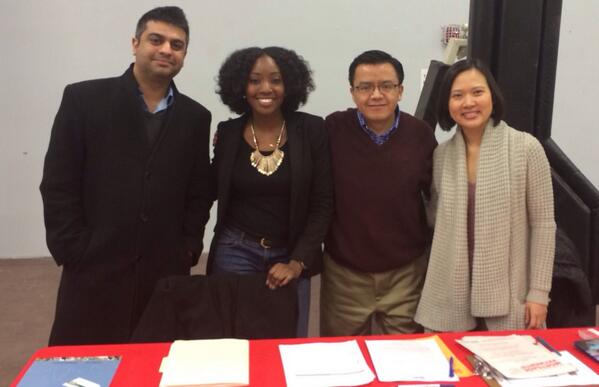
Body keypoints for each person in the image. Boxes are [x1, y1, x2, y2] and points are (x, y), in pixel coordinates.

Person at [40, 6, 212, 345]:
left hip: (162, 270)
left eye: (177, 45)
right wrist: (72, 247)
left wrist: (188, 249)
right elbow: (59, 183)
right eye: (156, 39)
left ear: (184, 55)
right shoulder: (83, 100)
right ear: (135, 43)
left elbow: (198, 192)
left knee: (152, 368)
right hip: (93, 266)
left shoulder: (195, 117)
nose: (166, 50)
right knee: (82, 368)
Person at [414, 59, 555, 331]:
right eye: (457, 95)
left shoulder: (525, 148)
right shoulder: (442, 155)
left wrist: (539, 294)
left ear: (492, 95)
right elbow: (435, 218)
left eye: (477, 92)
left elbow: (543, 226)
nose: (468, 103)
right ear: (447, 103)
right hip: (451, 296)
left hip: (510, 296)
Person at [209, 47, 333, 337]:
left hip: (290, 253)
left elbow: (323, 204)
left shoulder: (312, 129)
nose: (266, 88)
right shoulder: (227, 133)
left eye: (275, 80)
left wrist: (297, 262)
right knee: (231, 340)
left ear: (289, 85)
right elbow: (209, 188)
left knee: (288, 342)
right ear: (241, 86)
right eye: (254, 80)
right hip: (234, 252)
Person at [321, 50, 437, 336]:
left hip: (405, 274)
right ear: (352, 92)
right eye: (365, 87)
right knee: (341, 360)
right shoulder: (332, 129)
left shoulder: (420, 134)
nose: (376, 95)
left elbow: (436, 197)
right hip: (345, 275)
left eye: (386, 86)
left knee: (405, 363)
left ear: (400, 90)